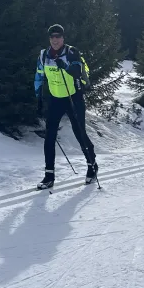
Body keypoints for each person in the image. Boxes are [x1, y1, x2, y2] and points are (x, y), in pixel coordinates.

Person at [34, 24, 98, 189]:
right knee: (49, 137)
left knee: (80, 133)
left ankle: (92, 166)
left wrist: (67, 67)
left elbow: (79, 72)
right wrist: (39, 96)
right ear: (49, 39)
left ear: (63, 38)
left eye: (58, 36)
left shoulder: (71, 52)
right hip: (55, 99)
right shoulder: (44, 55)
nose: (55, 40)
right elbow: (39, 76)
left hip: (73, 98)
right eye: (52, 37)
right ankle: (49, 175)